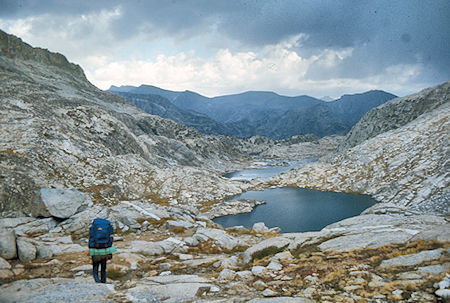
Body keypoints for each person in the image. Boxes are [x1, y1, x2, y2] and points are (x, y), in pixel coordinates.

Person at [88, 218, 114, 283]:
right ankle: (103, 280)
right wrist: (109, 246)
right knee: (103, 265)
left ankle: (97, 280)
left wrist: (90, 247)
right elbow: (111, 237)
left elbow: (91, 237)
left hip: (95, 247)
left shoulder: (93, 227)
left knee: (95, 265)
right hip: (105, 246)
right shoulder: (109, 226)